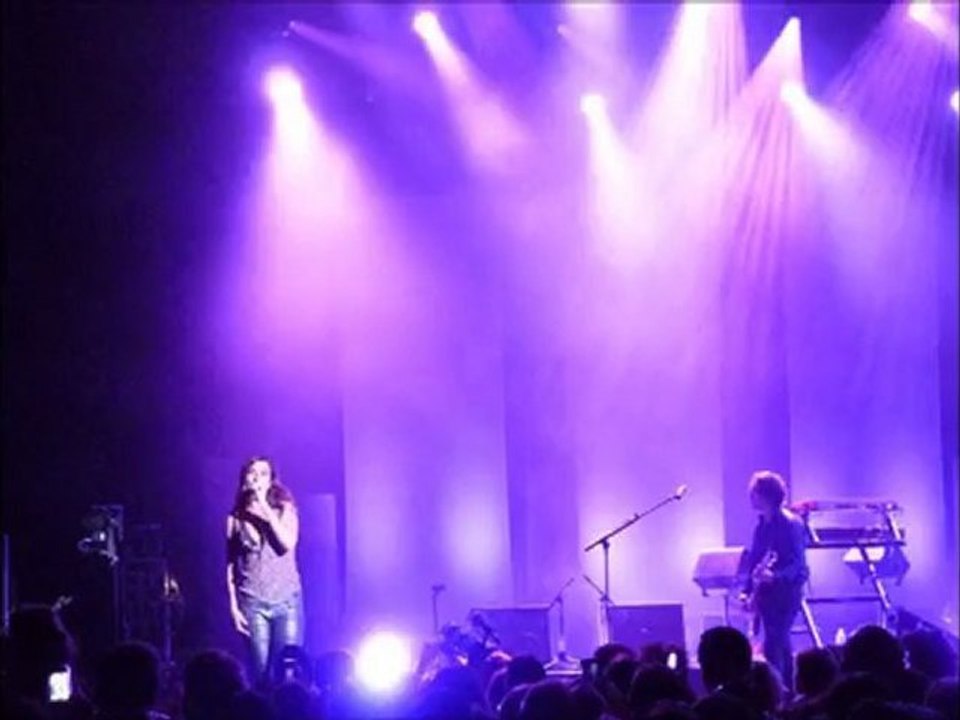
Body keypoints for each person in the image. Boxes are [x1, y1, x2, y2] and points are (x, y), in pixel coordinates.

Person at [226, 457, 303, 683]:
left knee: (287, 675)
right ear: (244, 479)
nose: (257, 477)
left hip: (287, 601)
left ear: (271, 480)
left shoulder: (285, 509)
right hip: (252, 602)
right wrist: (233, 607)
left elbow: (286, 543)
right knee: (260, 676)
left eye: (263, 473)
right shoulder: (235, 519)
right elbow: (230, 564)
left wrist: (265, 508)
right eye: (252, 472)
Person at [739, 470, 809, 692]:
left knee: (776, 642)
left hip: (786, 593)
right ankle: (783, 691)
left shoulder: (791, 524)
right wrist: (746, 590)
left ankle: (781, 692)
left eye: (755, 493)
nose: (751, 497)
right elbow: (754, 561)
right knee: (775, 642)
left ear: (767, 495)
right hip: (766, 593)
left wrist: (775, 576)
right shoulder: (762, 526)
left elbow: (799, 565)